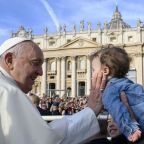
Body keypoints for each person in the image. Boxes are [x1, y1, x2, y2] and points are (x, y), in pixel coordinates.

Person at [0, 37, 106, 144]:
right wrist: (90, 111)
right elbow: (46, 140)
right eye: (35, 63)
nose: (41, 72)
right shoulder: (8, 92)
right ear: (9, 60)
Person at [91, 46, 143, 143]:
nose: (92, 73)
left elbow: (120, 112)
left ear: (105, 71)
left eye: (93, 70)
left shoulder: (109, 91)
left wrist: (131, 130)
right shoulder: (128, 83)